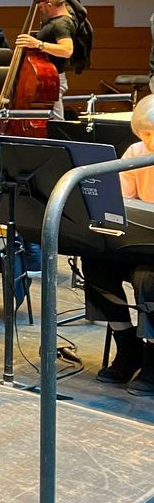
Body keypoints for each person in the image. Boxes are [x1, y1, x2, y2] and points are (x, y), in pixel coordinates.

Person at [82, 94, 154, 395]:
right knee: (94, 263)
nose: (148, 141)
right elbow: (122, 201)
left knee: (147, 280)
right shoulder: (136, 152)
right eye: (145, 134)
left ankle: (153, 358)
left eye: (153, 135)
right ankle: (127, 346)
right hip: (140, 242)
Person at [14, 0, 75, 119]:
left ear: (50, 5)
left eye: (41, 7)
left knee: (56, 121)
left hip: (52, 79)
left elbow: (67, 50)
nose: (40, 10)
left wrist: (38, 44)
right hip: (49, 76)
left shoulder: (61, 24)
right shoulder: (59, 21)